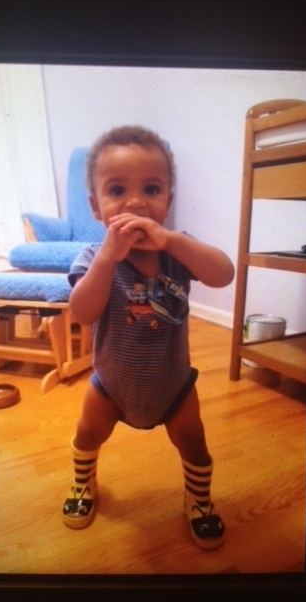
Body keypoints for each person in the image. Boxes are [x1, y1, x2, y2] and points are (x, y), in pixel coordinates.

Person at [62, 126, 235, 549]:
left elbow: (224, 274)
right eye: (117, 190)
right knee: (88, 434)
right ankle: (83, 484)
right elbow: (82, 312)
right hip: (111, 385)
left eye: (151, 189)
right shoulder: (93, 257)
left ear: (167, 202)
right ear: (96, 207)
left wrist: (173, 241)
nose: (136, 202)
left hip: (173, 384)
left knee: (193, 442)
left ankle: (198, 500)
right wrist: (108, 257)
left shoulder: (179, 252)